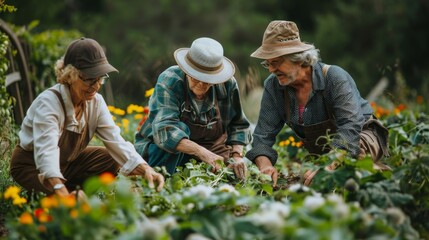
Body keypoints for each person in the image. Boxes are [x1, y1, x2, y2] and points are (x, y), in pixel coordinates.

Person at [10, 37, 165, 201]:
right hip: (32, 166)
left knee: (110, 158)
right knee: (58, 201)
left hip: (66, 164)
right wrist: (59, 189)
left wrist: (146, 169)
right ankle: (60, 193)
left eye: (100, 78)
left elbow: (116, 141)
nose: (97, 85)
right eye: (90, 79)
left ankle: (73, 194)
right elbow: (45, 152)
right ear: (70, 75)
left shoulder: (95, 102)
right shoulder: (49, 103)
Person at [245, 20, 390, 186]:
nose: (271, 70)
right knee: (311, 182)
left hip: (360, 137)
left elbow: (350, 126)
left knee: (348, 172)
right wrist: (265, 166)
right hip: (326, 150)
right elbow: (262, 136)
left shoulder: (333, 77)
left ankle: (379, 179)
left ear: (298, 58)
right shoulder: (274, 86)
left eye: (276, 62)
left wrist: (329, 163)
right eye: (267, 64)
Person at [134, 37, 252, 179]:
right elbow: (165, 131)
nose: (201, 85)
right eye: (196, 78)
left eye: (208, 81)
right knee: (179, 130)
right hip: (164, 152)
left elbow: (239, 125)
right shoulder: (170, 81)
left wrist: (237, 155)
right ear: (186, 70)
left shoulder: (227, 84)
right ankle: (162, 183)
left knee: (233, 177)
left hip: (211, 151)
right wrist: (202, 153)